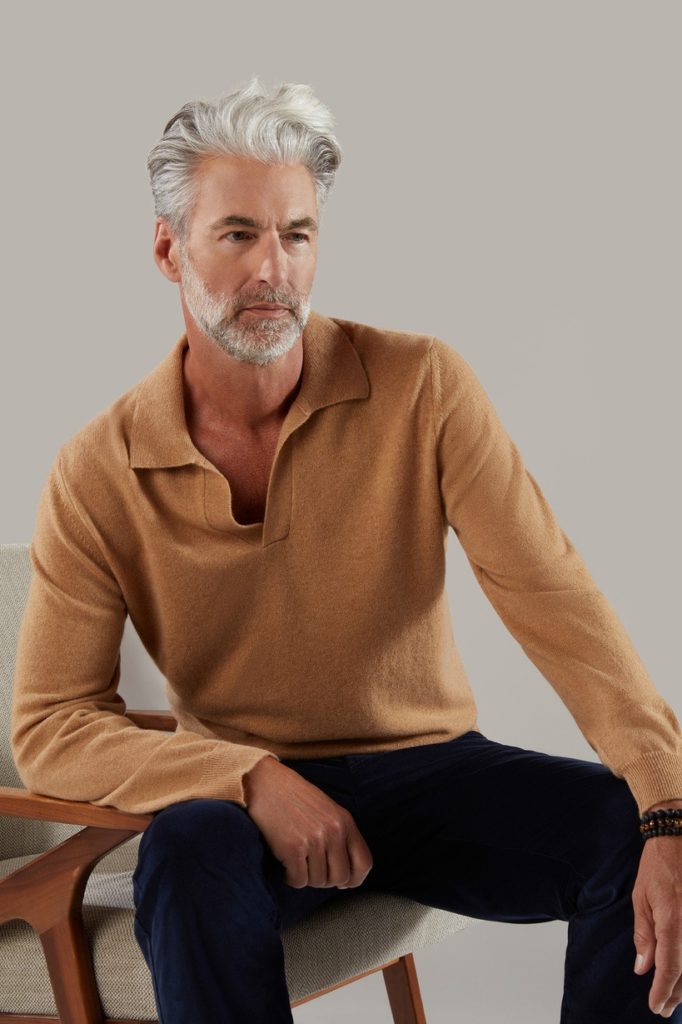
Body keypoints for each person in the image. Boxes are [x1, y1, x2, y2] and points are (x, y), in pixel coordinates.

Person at [10, 76, 682, 1022]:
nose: (271, 271)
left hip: (434, 768)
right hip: (247, 801)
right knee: (186, 856)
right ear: (169, 249)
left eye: (296, 234)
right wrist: (246, 776)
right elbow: (51, 726)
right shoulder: (97, 469)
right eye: (237, 234)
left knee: (639, 836)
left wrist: (668, 801)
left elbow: (554, 600)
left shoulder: (423, 387)